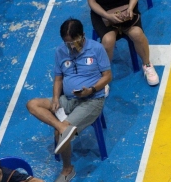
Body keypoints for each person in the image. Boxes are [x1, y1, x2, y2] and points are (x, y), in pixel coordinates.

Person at [25, 18, 111, 182]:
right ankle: (62, 127)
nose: (71, 46)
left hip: (91, 100)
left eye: (74, 42)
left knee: (61, 134)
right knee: (32, 104)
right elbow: (58, 79)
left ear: (82, 36)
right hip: (68, 99)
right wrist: (56, 98)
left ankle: (67, 169)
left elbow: (107, 76)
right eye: (67, 43)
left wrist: (91, 90)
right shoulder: (60, 51)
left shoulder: (97, 49)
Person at [82, 0, 159, 84]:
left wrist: (130, 7)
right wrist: (107, 15)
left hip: (126, 8)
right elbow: (92, 3)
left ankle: (147, 64)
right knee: (108, 40)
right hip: (103, 12)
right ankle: (103, 76)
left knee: (137, 33)